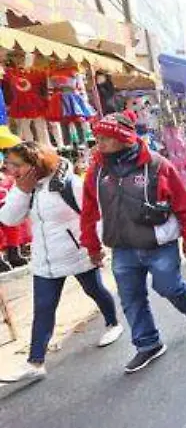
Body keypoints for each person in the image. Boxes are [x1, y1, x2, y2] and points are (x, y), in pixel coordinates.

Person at [80, 112, 186, 374]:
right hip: (122, 249)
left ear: (123, 139)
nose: (98, 143)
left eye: (104, 138)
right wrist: (92, 245)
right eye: (97, 137)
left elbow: (184, 203)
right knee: (131, 298)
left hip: (158, 245)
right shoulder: (96, 171)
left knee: (169, 286)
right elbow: (89, 212)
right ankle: (148, 344)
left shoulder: (158, 166)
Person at [0, 142, 123, 383]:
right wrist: (22, 191)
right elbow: (8, 219)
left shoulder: (69, 183)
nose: (11, 170)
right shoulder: (27, 188)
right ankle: (35, 362)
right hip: (45, 259)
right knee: (44, 308)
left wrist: (96, 248)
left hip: (77, 252)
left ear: (34, 164)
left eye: (16, 165)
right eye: (8, 165)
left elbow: (93, 214)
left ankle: (113, 322)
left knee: (94, 289)